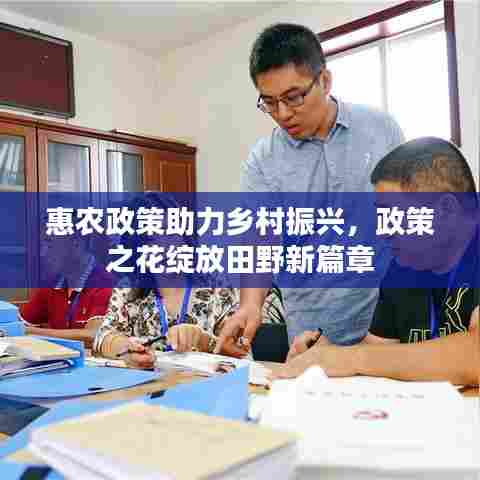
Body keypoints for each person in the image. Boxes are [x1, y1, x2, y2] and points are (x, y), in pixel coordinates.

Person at [217, 23, 404, 355]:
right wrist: (250, 305)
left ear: (325, 81)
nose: (282, 114)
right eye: (269, 102)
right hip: (309, 337)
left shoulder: (381, 130)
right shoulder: (263, 160)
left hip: (384, 331)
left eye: (293, 98)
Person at [278, 137, 479, 386]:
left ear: (446, 210)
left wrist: (350, 358)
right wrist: (325, 356)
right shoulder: (404, 265)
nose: (383, 232)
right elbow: (376, 353)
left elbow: (475, 356)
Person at [92, 286, 284, 369]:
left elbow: (240, 353)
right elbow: (103, 335)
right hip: (143, 396)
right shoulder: (130, 287)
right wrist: (125, 348)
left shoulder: (219, 288)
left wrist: (202, 340)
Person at [20, 225, 112, 347]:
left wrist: (28, 331)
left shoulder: (106, 282)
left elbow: (93, 336)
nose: (42, 253)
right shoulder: (53, 282)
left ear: (76, 243)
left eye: (49, 244)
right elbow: (21, 322)